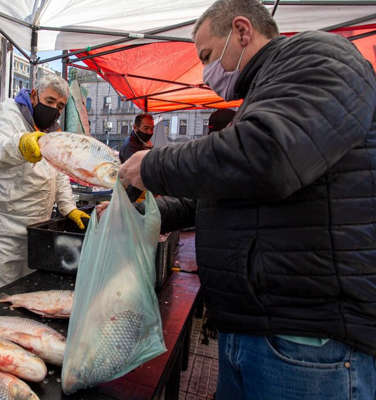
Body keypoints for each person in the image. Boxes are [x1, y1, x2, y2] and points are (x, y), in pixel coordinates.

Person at [119, 0, 376, 399]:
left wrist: (154, 165)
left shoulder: (320, 56)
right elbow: (222, 192)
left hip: (306, 338)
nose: (207, 74)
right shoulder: (263, 95)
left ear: (242, 31)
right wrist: (144, 209)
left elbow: (268, 155)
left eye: (207, 56)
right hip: (256, 326)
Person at [0, 75, 89, 293]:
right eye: (50, 101)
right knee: (0, 295)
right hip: (0, 233)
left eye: (60, 106)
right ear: (34, 95)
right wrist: (20, 145)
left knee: (25, 292)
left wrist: (69, 207)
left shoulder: (52, 131)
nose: (55, 109)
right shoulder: (7, 119)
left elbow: (59, 172)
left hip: (35, 230)